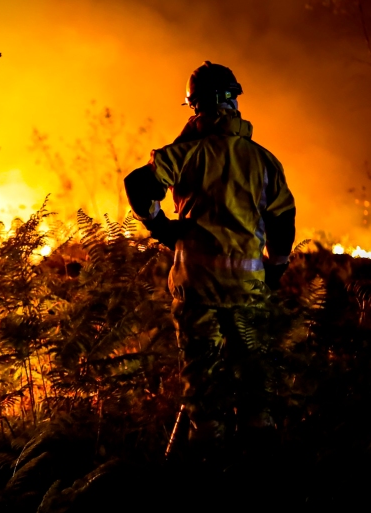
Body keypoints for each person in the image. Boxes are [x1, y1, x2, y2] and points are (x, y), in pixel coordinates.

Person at [124, 61, 296, 445]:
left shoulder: (184, 153)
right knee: (254, 372)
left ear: (196, 106)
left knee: (203, 379)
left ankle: (209, 459)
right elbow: (283, 221)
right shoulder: (264, 160)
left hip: (197, 289)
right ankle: (258, 456)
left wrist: (161, 226)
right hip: (248, 290)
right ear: (235, 101)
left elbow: (138, 184)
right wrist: (276, 268)